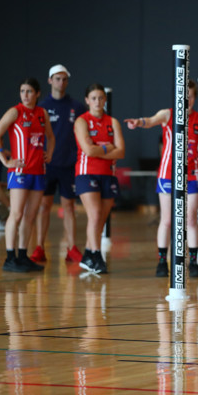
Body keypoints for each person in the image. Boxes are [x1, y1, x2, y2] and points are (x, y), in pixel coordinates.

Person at [124, 79, 198, 278]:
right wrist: (138, 122)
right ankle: (162, 261)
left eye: (191, 96)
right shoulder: (168, 114)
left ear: (195, 98)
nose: (187, 100)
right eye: (184, 96)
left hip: (193, 174)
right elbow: (150, 120)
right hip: (168, 174)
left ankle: (193, 262)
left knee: (191, 219)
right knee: (167, 220)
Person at [0, 78, 55, 272]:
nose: (25, 95)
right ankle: (10, 257)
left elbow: (50, 136)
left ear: (37, 93)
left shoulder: (42, 113)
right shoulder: (15, 111)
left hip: (38, 171)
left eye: (29, 91)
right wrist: (5, 160)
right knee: (16, 213)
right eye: (22, 91)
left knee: (30, 216)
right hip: (20, 171)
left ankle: (23, 256)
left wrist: (50, 153)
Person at [31, 64, 86, 264]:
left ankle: (72, 249)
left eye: (64, 79)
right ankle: (39, 248)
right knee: (43, 206)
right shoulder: (41, 107)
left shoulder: (77, 107)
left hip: (69, 165)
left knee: (69, 207)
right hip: (46, 165)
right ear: (49, 81)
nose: (60, 82)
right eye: (57, 79)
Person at [74, 83, 125, 274]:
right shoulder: (82, 121)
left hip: (108, 175)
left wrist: (99, 150)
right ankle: (96, 255)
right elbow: (88, 150)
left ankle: (87, 254)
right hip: (87, 173)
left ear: (105, 100)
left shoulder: (112, 122)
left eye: (101, 98)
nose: (97, 102)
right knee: (94, 215)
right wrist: (107, 148)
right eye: (93, 98)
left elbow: (121, 152)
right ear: (87, 100)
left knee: (101, 219)